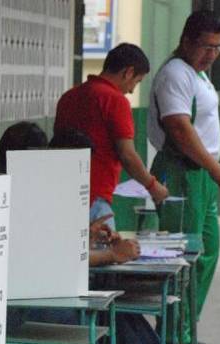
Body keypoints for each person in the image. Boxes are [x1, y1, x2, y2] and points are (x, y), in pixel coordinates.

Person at [0, 124, 215, 344]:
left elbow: (56, 246)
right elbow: (55, 257)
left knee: (108, 302)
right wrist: (112, 255)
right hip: (14, 301)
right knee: (82, 312)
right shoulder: (11, 194)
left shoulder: (36, 191)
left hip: (37, 288)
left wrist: (88, 237)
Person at [148, 10, 220, 344]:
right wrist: (214, 167)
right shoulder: (175, 74)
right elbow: (179, 127)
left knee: (207, 252)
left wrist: (211, 170)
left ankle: (186, 328)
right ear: (186, 41)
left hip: (201, 176)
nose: (212, 54)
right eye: (206, 46)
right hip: (183, 171)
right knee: (183, 256)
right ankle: (173, 336)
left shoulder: (197, 74)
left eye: (218, 48)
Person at [54, 42, 169, 230]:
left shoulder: (68, 97)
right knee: (105, 247)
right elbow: (127, 154)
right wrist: (152, 186)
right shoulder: (115, 100)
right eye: (136, 81)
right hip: (96, 198)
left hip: (62, 193)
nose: (132, 90)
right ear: (128, 72)